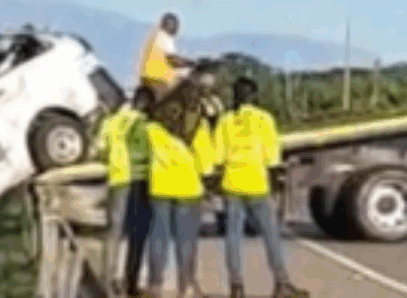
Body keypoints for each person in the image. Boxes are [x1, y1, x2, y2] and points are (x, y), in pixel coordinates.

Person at [215, 77, 308, 298]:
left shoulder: (226, 120)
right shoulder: (264, 118)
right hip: (257, 184)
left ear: (235, 95)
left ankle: (236, 287)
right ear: (253, 96)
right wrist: (276, 185)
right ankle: (281, 284)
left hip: (232, 183)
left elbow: (218, 157)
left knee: (233, 237)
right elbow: (272, 158)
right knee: (271, 235)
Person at [144, 103, 218, 298]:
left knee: (158, 237)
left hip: (160, 186)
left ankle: (154, 286)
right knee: (186, 240)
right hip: (188, 187)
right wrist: (209, 181)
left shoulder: (152, 126)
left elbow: (146, 153)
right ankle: (186, 286)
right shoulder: (197, 125)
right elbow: (205, 158)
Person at [96, 87, 157, 297]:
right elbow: (148, 152)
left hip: (116, 179)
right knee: (137, 234)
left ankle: (107, 283)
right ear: (146, 103)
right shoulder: (144, 123)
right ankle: (131, 283)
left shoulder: (111, 121)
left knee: (113, 233)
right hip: (139, 180)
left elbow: (100, 148)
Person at [138, 12, 196, 101]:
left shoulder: (156, 36)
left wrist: (186, 62)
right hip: (159, 78)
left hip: (147, 77)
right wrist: (190, 64)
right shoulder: (164, 38)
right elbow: (173, 60)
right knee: (187, 87)